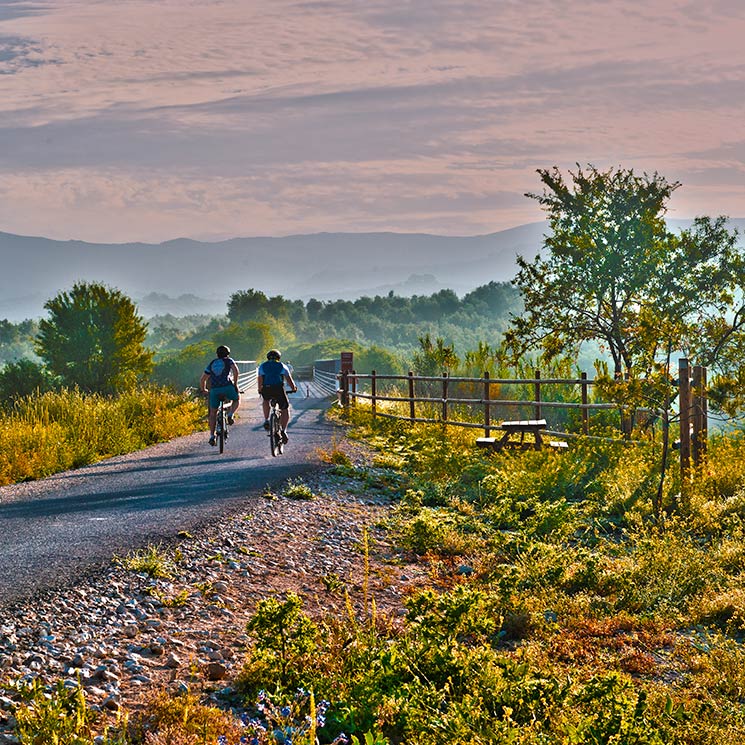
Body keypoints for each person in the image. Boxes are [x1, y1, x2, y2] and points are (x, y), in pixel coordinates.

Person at [200, 345, 241, 446]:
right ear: (228, 354)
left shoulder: (212, 363)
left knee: (213, 413)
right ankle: (231, 414)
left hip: (214, 389)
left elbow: (203, 379)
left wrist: (204, 389)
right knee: (237, 398)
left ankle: (212, 436)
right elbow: (236, 371)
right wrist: (235, 385)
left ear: (217, 354)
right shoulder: (229, 361)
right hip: (227, 386)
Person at [257, 349, 297, 442]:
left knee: (266, 401)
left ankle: (266, 420)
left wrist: (260, 389)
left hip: (266, 388)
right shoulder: (282, 366)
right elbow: (289, 379)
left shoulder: (262, 366)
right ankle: (283, 430)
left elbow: (260, 379)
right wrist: (293, 388)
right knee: (285, 408)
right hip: (278, 388)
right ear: (278, 357)